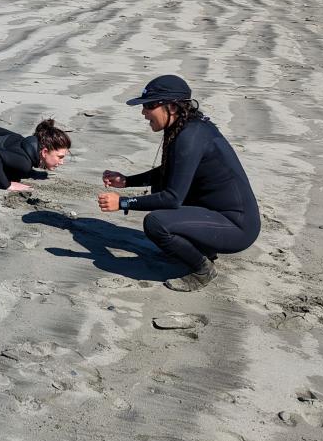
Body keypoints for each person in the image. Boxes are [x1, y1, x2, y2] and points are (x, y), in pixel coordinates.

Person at [97, 75, 260, 291]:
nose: (144, 112)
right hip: (220, 215)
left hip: (238, 227)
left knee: (155, 223)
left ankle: (203, 270)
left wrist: (123, 203)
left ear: (172, 106)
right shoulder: (187, 127)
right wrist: (126, 181)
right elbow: (170, 172)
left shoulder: (190, 136)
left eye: (149, 105)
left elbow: (172, 199)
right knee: (161, 188)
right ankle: (203, 247)